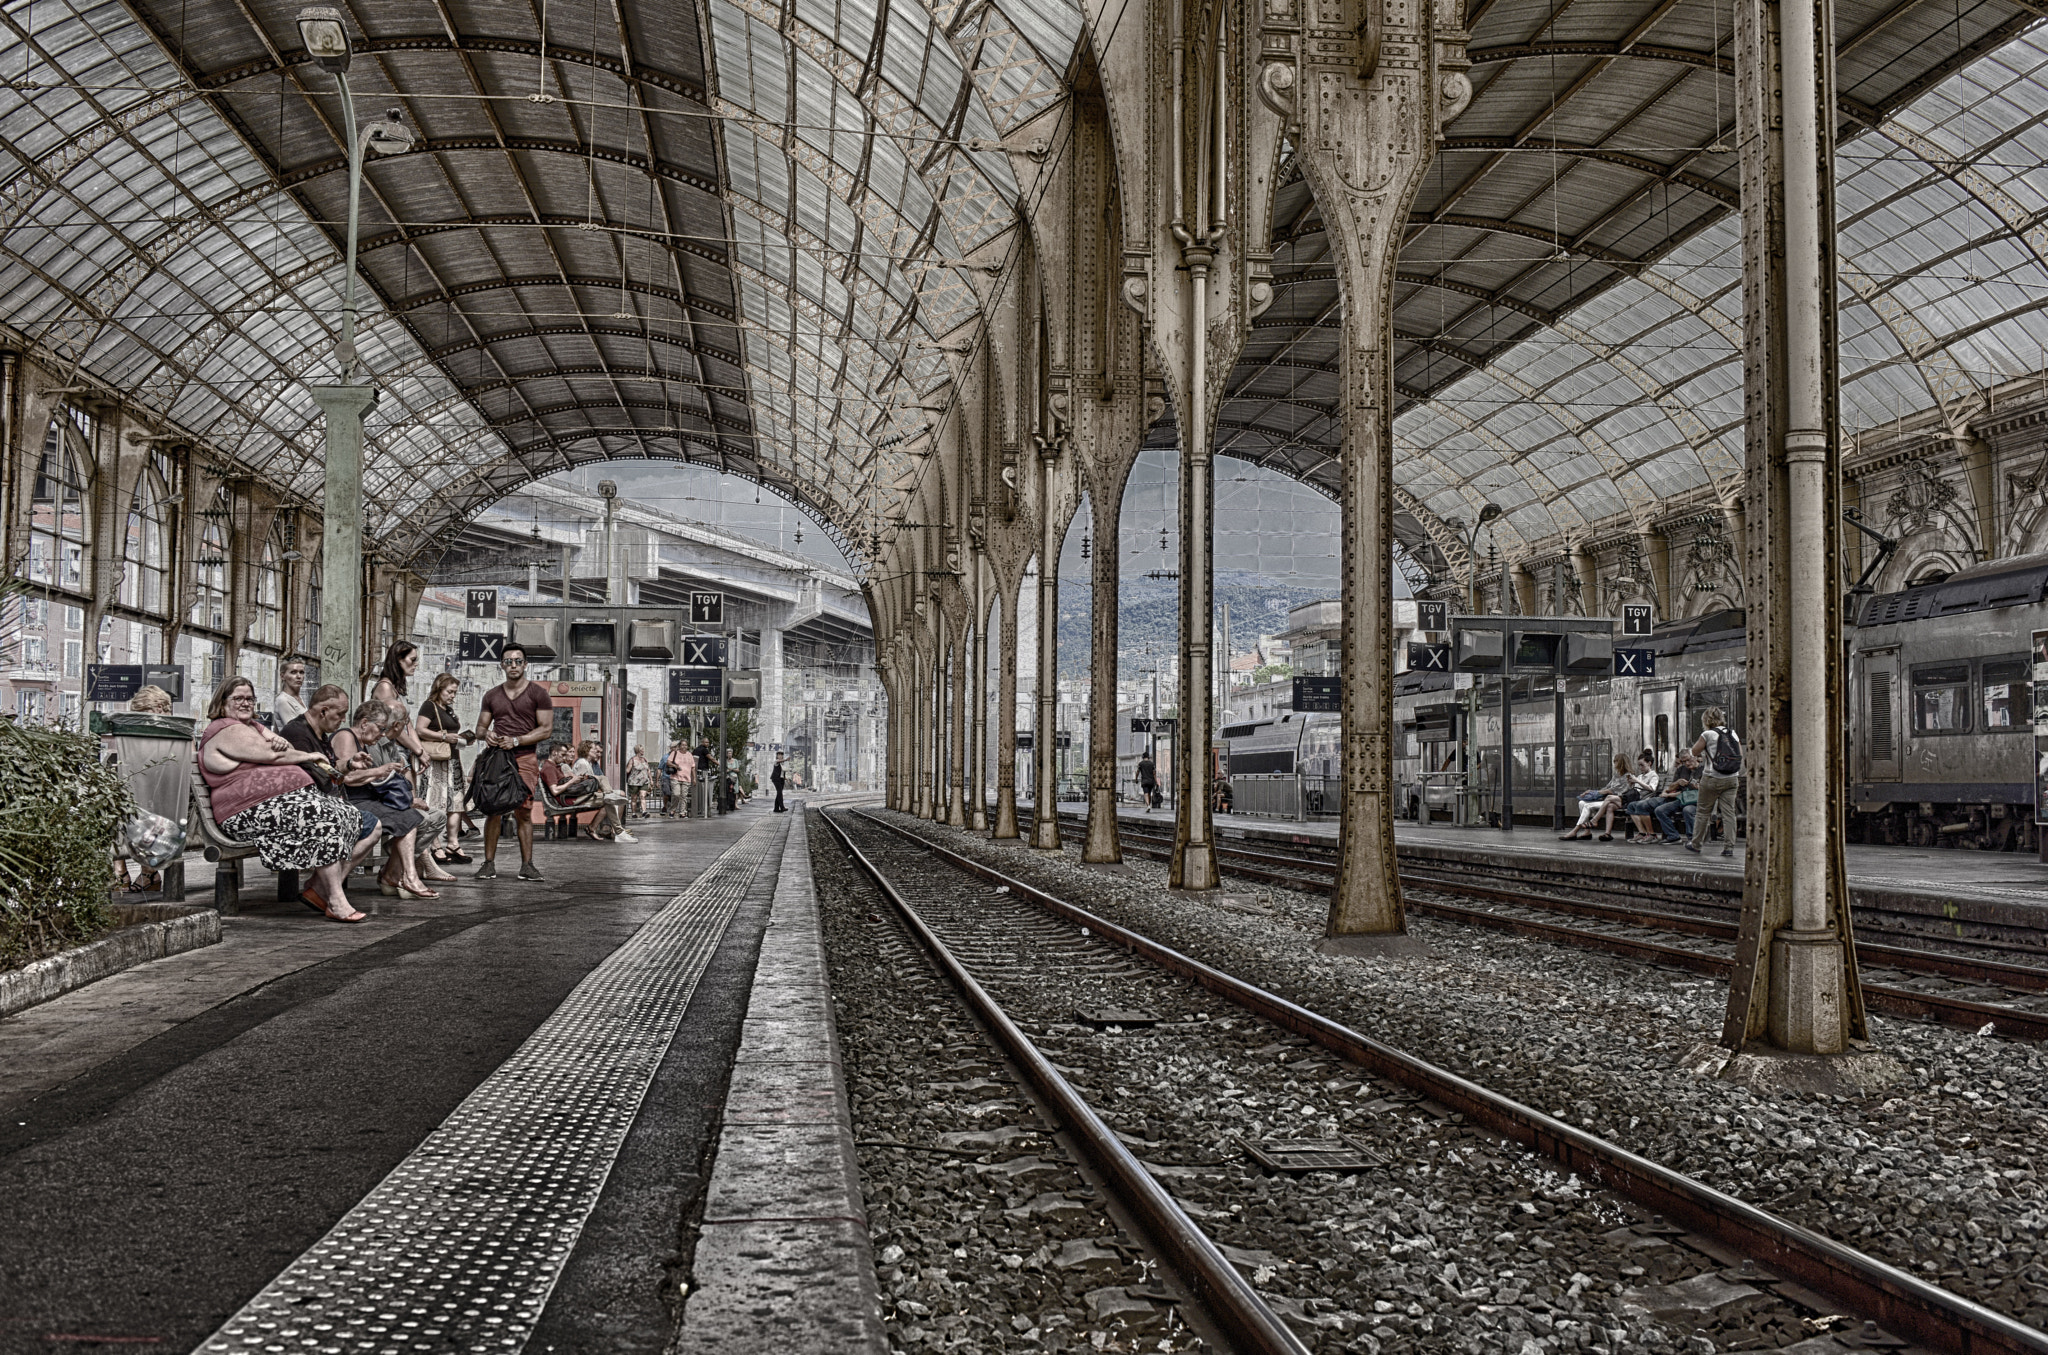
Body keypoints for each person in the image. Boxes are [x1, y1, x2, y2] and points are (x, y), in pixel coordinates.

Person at [199, 676, 375, 923]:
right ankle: (335, 900)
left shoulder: (252, 727)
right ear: (222, 701)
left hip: (272, 806)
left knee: (346, 812)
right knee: (319, 815)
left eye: (249, 698)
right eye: (238, 698)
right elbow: (272, 755)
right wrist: (308, 756)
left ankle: (321, 890)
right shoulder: (226, 729)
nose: (245, 703)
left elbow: (279, 747)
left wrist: (283, 746)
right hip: (244, 812)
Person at [332, 701, 448, 897]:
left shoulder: (365, 742)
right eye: (380, 729)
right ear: (364, 723)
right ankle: (408, 877)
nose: (382, 734)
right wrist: (380, 771)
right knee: (408, 818)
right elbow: (348, 778)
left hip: (365, 798)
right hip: (350, 800)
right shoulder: (346, 736)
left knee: (410, 816)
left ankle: (400, 876)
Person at [473, 643, 554, 880]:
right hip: (498, 758)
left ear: (525, 664)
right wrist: (485, 733)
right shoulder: (491, 695)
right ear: (502, 665)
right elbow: (480, 727)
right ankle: (488, 863)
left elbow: (546, 729)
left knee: (524, 811)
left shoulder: (538, 694)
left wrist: (517, 741)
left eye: (518, 661)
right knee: (493, 809)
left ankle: (527, 865)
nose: (514, 665)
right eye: (508, 661)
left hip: (525, 758)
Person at [416, 672, 472, 865]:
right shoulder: (429, 706)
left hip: (453, 759)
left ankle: (453, 843)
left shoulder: (449, 710)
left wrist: (461, 739)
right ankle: (435, 844)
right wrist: (443, 737)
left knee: (456, 802)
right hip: (436, 761)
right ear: (439, 689)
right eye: (450, 692)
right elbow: (419, 729)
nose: (452, 696)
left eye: (455, 693)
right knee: (435, 802)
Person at [1687, 707, 1742, 857]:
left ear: (1706, 720)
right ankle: (1729, 847)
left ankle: (1696, 844)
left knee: (1703, 812)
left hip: (1712, 778)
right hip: (1732, 778)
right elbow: (1740, 755)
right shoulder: (1732, 733)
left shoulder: (1707, 734)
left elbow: (1694, 752)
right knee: (1729, 813)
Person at [368, 641, 428, 763]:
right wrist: (418, 751)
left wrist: (421, 751)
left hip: (404, 748)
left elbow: (408, 725)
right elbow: (395, 727)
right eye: (413, 660)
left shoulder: (397, 688)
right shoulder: (385, 687)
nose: (416, 664)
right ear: (399, 660)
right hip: (391, 749)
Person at [1560, 753, 1633, 841]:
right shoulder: (1616, 775)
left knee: (1587, 806)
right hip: (1607, 800)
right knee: (1582, 803)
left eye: (1615, 761)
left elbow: (1612, 791)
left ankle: (1575, 831)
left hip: (1616, 801)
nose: (1614, 763)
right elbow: (1607, 788)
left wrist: (1594, 792)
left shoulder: (1627, 776)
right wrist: (1592, 792)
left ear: (1621, 763)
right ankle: (1587, 832)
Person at [280, 683, 352, 770]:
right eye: (340, 714)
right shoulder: (296, 733)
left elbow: (332, 769)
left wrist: (350, 764)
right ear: (323, 712)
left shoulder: (321, 734)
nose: (344, 719)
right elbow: (318, 777)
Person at [1652, 753, 1701, 844]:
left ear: (1695, 757)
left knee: (1688, 810)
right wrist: (1678, 782)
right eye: (1683, 761)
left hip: (1697, 800)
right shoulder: (1681, 770)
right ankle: (1673, 836)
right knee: (1660, 810)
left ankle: (1693, 839)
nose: (1686, 763)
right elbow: (1670, 788)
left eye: (1688, 760)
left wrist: (1699, 787)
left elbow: (1711, 788)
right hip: (1682, 799)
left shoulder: (1704, 770)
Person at [1624, 750, 1664, 843]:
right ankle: (1642, 832)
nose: (1640, 768)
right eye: (1639, 765)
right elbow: (1634, 789)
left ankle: (1652, 834)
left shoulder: (1653, 775)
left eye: (1642, 765)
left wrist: (1638, 781)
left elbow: (1652, 788)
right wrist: (1631, 783)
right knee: (1630, 806)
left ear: (1649, 763)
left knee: (1639, 805)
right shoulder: (1640, 776)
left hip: (1647, 798)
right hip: (1638, 798)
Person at [273, 659, 309, 728]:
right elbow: (295, 730)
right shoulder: (283, 700)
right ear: (282, 676)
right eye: (293, 672)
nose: (299, 676)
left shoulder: (298, 698)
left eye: (301, 672)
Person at [665, 738, 694, 819]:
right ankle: (672, 810)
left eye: (685, 745)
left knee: (684, 796)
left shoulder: (689, 755)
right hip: (675, 777)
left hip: (686, 778)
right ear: (679, 746)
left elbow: (693, 767)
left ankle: (682, 812)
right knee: (676, 794)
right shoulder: (674, 753)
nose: (684, 746)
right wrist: (676, 766)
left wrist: (694, 778)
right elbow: (668, 762)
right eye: (682, 745)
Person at [625, 747, 652, 819]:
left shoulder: (644, 760)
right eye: (642, 750)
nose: (643, 751)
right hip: (634, 782)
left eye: (643, 749)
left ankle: (644, 812)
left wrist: (651, 780)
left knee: (643, 796)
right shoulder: (632, 760)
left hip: (644, 781)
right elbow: (627, 770)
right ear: (637, 751)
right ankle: (633, 813)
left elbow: (648, 770)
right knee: (634, 798)